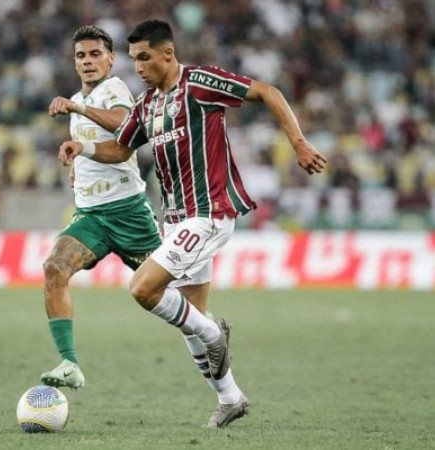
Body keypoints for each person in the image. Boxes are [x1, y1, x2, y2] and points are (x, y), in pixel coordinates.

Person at [58, 19, 328, 429]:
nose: (138, 67)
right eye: (133, 60)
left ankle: (215, 332)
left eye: (144, 58)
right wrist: (84, 147)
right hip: (178, 219)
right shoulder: (148, 104)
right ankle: (231, 397)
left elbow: (266, 92)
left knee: (145, 288)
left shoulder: (199, 82)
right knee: (189, 322)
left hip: (211, 212)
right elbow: (120, 148)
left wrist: (298, 141)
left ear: (168, 54)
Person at [39, 25, 162, 390]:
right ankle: (69, 363)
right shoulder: (82, 104)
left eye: (95, 54)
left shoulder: (114, 90)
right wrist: (77, 158)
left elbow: (125, 136)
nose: (88, 61)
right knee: (54, 268)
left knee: (167, 295)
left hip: (128, 213)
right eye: (81, 56)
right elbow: (94, 147)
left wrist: (79, 114)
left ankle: (208, 333)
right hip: (92, 214)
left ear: (111, 58)